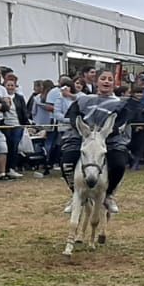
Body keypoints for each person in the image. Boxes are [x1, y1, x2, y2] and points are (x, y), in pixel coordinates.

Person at [56, 70, 132, 214]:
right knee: (67, 161)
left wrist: (105, 133)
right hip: (83, 137)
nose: (106, 81)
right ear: (97, 82)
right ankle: (76, 194)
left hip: (109, 139)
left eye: (110, 79)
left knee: (119, 164)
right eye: (103, 78)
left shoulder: (122, 103)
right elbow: (74, 116)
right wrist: (83, 130)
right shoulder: (83, 100)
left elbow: (122, 122)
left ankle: (108, 196)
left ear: (114, 84)